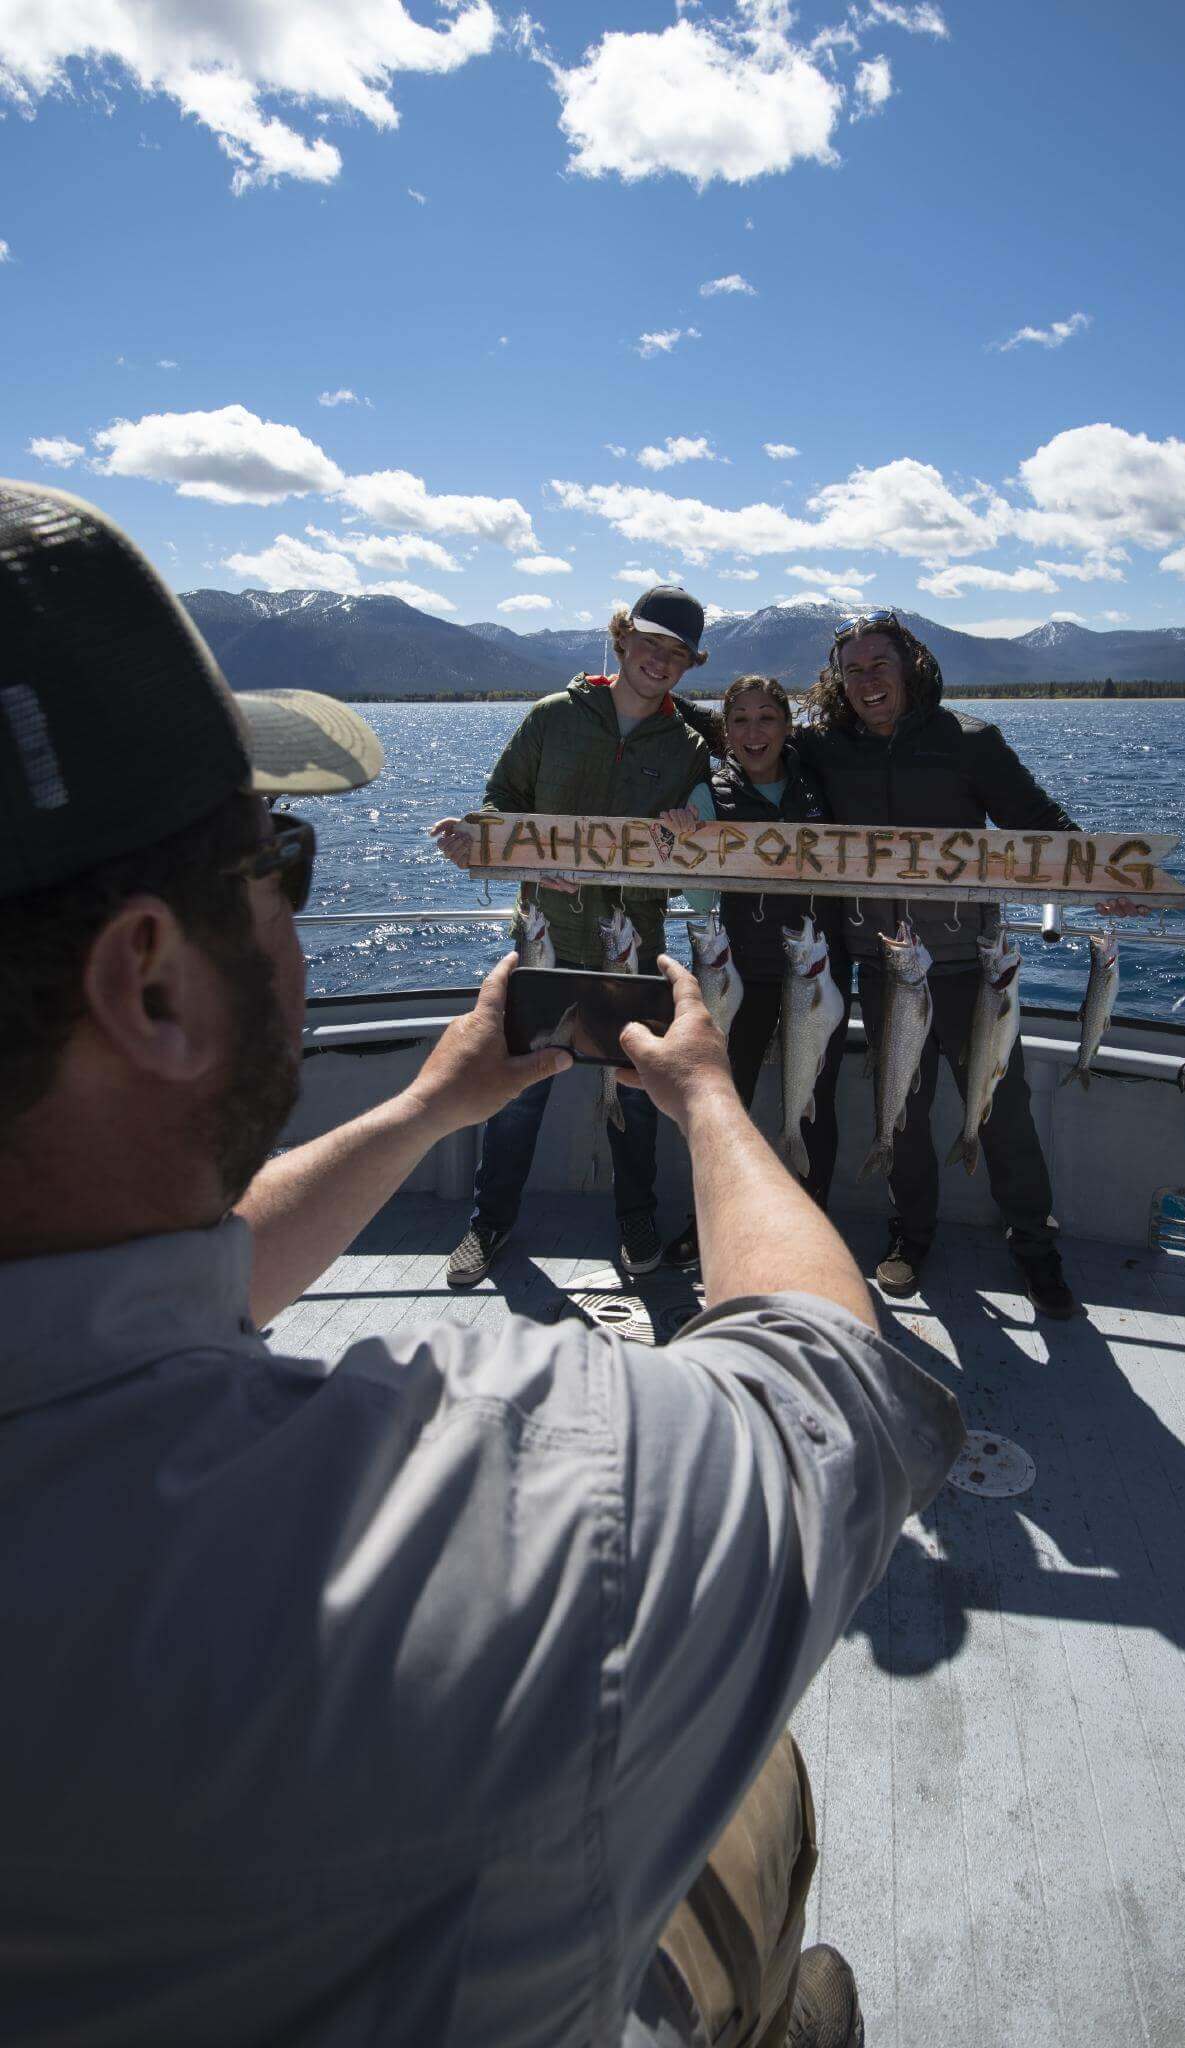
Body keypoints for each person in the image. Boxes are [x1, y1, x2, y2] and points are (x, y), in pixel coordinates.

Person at [0, 481, 965, 2048]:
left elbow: (142, 1297)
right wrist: (714, 1095)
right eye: (279, 863)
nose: (294, 914)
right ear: (154, 986)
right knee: (764, 1799)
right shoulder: (547, 1520)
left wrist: (428, 1102)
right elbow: (828, 1392)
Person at [796, 609, 1085, 1318]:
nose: (867, 681)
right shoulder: (824, 749)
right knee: (903, 1109)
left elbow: (1040, 824)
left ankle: (1035, 1248)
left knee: (1003, 1110)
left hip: (970, 967)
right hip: (882, 965)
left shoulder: (970, 743)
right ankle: (910, 1236)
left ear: (911, 667)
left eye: (880, 666)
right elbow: (749, 755)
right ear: (838, 683)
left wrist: (1107, 880)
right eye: (853, 670)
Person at [430, 587, 713, 1285]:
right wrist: (515, 852)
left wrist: (689, 827)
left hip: (634, 949)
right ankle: (488, 1223)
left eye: (676, 653)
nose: (659, 660)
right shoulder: (552, 718)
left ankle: (635, 1217)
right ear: (622, 640)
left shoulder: (688, 748)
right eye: (649, 642)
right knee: (516, 1095)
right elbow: (500, 804)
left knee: (637, 1098)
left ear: (688, 665)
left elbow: (700, 855)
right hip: (543, 942)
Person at [657, 675, 849, 1269]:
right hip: (737, 974)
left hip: (816, 969)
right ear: (724, 730)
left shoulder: (821, 778)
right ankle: (709, 1223)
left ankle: (815, 1223)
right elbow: (693, 887)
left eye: (767, 717)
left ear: (788, 725)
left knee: (817, 1095)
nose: (753, 732)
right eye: (739, 719)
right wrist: (680, 833)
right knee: (723, 1099)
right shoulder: (708, 791)